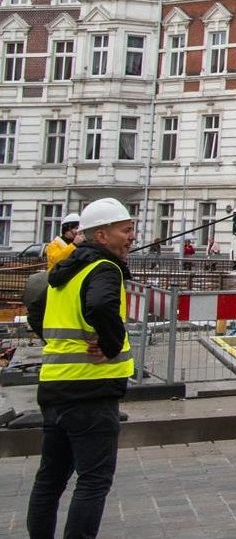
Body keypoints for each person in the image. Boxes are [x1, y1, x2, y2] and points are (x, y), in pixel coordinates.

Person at [26, 197, 136, 539]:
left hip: (55, 387)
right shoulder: (105, 268)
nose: (132, 236)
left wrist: (57, 342)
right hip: (91, 389)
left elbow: (35, 308)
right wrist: (110, 344)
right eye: (126, 230)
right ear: (101, 236)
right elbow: (102, 303)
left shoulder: (64, 270)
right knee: (93, 481)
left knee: (50, 479)